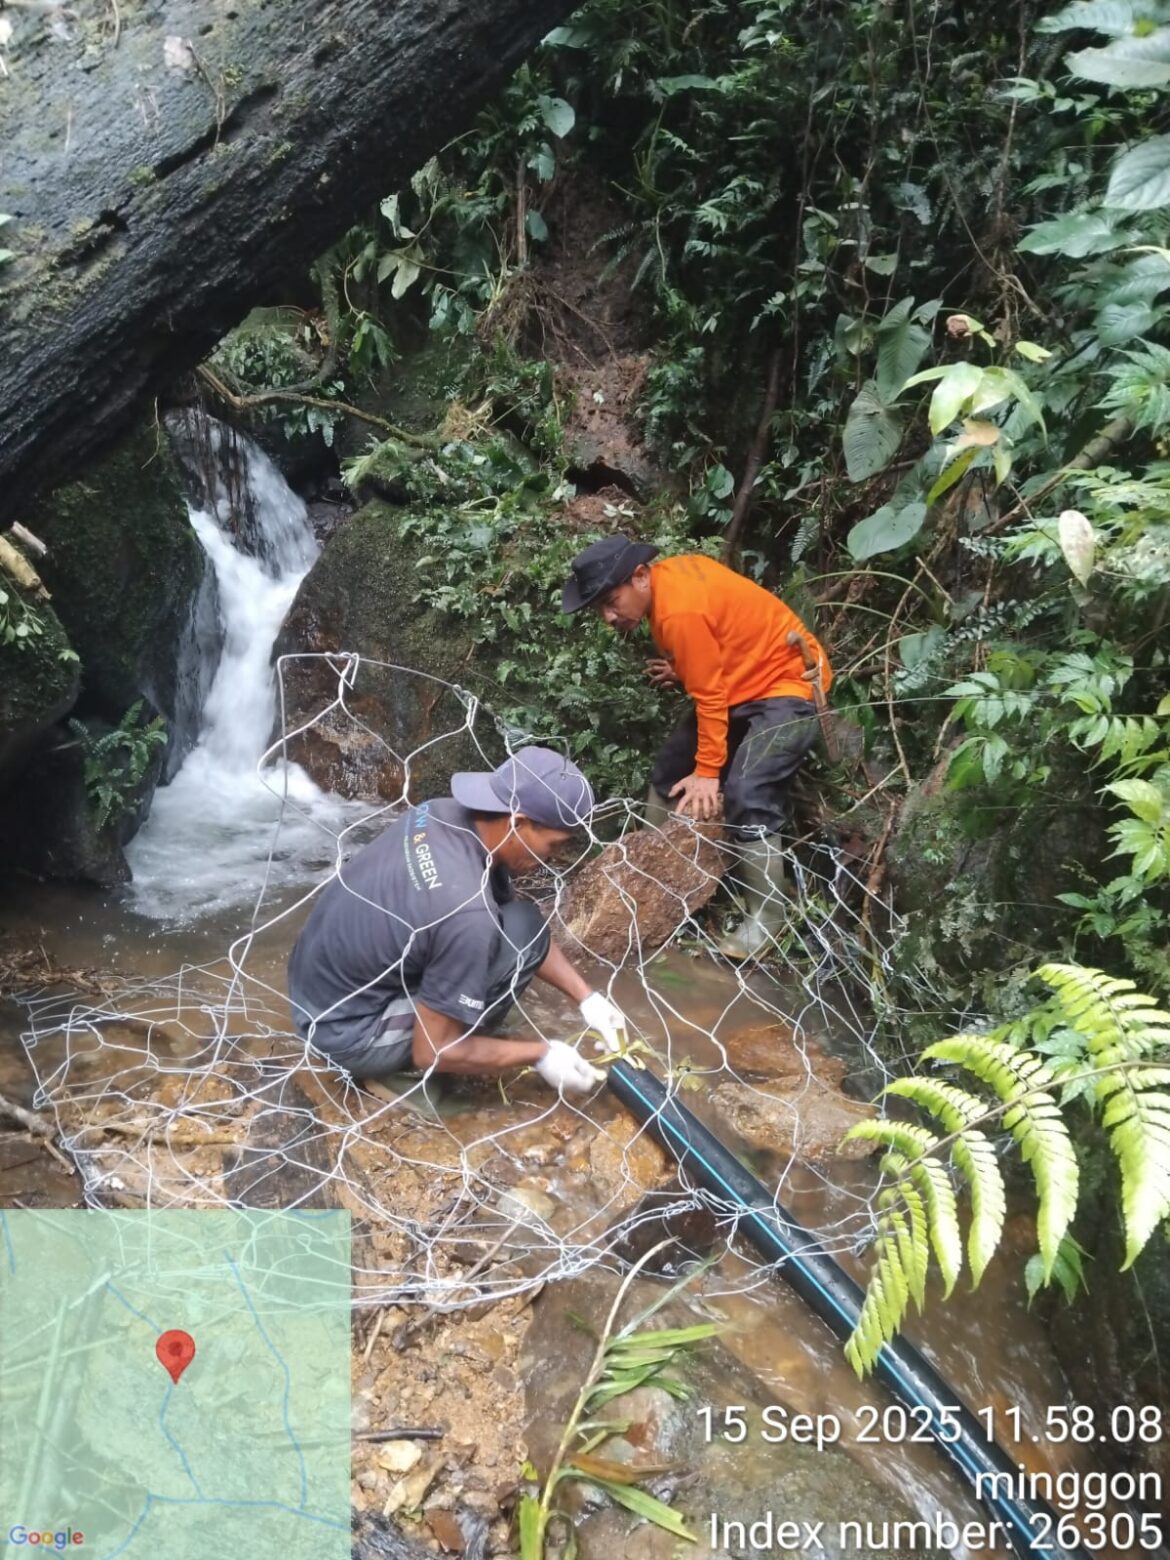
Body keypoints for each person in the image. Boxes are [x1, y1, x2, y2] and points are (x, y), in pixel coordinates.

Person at [287, 746, 628, 1094]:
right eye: (553, 845)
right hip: (346, 1032)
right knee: (465, 995)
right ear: (517, 823)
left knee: (524, 924)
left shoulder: (439, 812)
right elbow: (434, 1049)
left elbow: (522, 931)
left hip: (314, 987)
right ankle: (406, 1080)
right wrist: (541, 1054)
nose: (553, 858)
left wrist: (587, 999)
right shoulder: (466, 912)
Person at [561, 536, 833, 960]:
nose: (609, 617)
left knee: (748, 790)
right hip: (740, 684)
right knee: (669, 770)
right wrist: (685, 663)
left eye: (612, 602)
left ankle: (768, 915)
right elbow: (721, 627)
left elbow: (709, 696)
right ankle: (652, 879)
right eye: (600, 609)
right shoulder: (669, 581)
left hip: (788, 687)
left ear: (639, 577)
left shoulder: (680, 610)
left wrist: (708, 773)